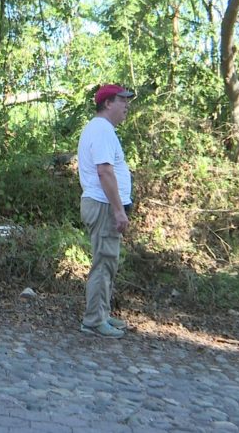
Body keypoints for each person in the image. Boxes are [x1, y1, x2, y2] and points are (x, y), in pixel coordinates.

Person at [77, 84, 135, 338]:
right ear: (108, 103)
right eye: (122, 101)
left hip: (102, 204)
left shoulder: (102, 129)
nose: (127, 106)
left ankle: (102, 313)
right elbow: (105, 171)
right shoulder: (101, 129)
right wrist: (118, 210)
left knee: (108, 262)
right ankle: (93, 320)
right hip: (103, 206)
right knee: (103, 263)